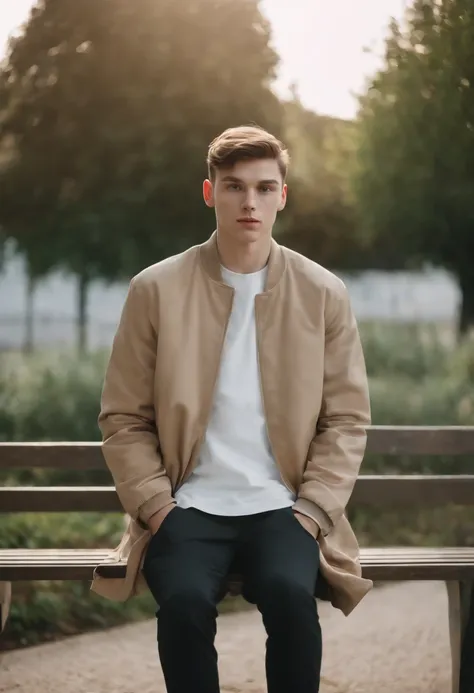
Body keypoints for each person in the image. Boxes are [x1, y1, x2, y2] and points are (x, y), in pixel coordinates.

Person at [91, 125, 372, 693]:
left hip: (283, 506)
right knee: (185, 604)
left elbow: (346, 417)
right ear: (209, 192)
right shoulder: (156, 289)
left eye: (265, 188)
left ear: (283, 196)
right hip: (187, 506)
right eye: (234, 186)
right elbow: (124, 417)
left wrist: (313, 510)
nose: (250, 202)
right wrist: (157, 506)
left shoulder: (322, 292)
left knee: (294, 601)